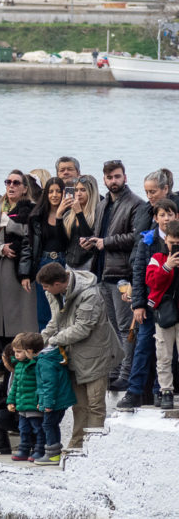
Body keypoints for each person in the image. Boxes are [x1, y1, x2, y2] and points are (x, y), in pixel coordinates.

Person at [38, 262, 123, 449]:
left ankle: (94, 448)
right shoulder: (53, 292)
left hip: (96, 355)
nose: (44, 290)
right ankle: (77, 445)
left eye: (46, 286)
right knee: (79, 406)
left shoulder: (90, 294)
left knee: (95, 405)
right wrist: (40, 340)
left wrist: (53, 340)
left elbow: (82, 328)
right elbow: (56, 320)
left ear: (58, 284)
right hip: (72, 355)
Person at [86, 160, 146, 390]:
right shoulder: (102, 204)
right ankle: (114, 370)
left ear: (125, 177)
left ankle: (126, 373)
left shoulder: (136, 204)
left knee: (125, 327)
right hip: (102, 272)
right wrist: (91, 242)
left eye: (117, 176)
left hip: (123, 274)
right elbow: (100, 234)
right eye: (110, 177)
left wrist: (106, 242)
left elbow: (136, 237)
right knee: (109, 326)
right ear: (104, 179)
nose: (114, 181)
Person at [121, 195, 178, 409]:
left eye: (170, 214)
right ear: (155, 218)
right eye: (162, 215)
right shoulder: (148, 240)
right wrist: (138, 304)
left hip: (173, 305)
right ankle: (134, 391)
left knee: (168, 351)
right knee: (143, 347)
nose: (166, 219)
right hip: (151, 304)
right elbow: (138, 273)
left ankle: (160, 391)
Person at [0, 170, 37, 359]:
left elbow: (31, 235)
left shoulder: (32, 209)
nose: (11, 186)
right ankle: (0, 358)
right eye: (8, 182)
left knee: (19, 317)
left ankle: (19, 355)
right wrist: (0, 248)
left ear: (25, 188)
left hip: (18, 267)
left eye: (16, 183)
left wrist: (11, 221)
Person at [20, 177, 67, 332]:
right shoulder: (37, 216)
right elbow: (28, 244)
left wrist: (61, 215)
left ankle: (64, 345)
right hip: (44, 263)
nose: (54, 195)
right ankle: (46, 345)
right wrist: (25, 273)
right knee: (44, 311)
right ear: (45, 194)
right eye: (51, 191)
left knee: (66, 310)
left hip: (65, 262)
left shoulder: (70, 215)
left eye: (58, 191)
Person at [143, 220, 179, 410]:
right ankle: (166, 391)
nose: (175, 246)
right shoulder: (157, 258)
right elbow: (151, 282)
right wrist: (167, 267)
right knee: (163, 355)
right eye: (172, 243)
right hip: (164, 313)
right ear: (166, 240)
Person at [34, 341, 77, 465]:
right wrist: (41, 401)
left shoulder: (44, 362)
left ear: (30, 351)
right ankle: (54, 454)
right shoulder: (49, 358)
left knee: (48, 425)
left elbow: (49, 384)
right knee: (52, 424)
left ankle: (52, 455)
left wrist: (47, 404)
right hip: (58, 400)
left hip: (55, 402)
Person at [6, 332, 47, 462]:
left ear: (29, 350)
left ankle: (39, 450)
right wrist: (11, 401)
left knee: (38, 429)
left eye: (19, 351)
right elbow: (15, 386)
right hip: (22, 405)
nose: (16, 355)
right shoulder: (18, 366)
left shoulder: (37, 365)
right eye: (14, 352)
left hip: (34, 405)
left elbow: (41, 385)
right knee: (23, 429)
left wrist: (40, 401)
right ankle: (24, 450)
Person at [63, 175, 98, 271]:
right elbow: (61, 241)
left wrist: (79, 213)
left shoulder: (98, 213)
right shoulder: (68, 214)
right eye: (76, 190)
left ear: (91, 192)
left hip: (88, 263)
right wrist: (58, 214)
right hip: (69, 264)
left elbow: (88, 238)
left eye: (83, 190)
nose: (78, 194)